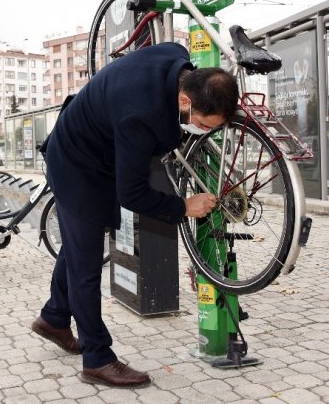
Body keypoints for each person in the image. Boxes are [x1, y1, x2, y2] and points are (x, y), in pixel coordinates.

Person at [31, 42, 239, 388]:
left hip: (98, 150)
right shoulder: (139, 116)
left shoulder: (176, 56)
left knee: (76, 246)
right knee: (85, 265)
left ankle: (54, 317)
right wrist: (184, 206)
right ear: (185, 101)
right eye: (203, 124)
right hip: (75, 163)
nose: (204, 131)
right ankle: (96, 359)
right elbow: (132, 194)